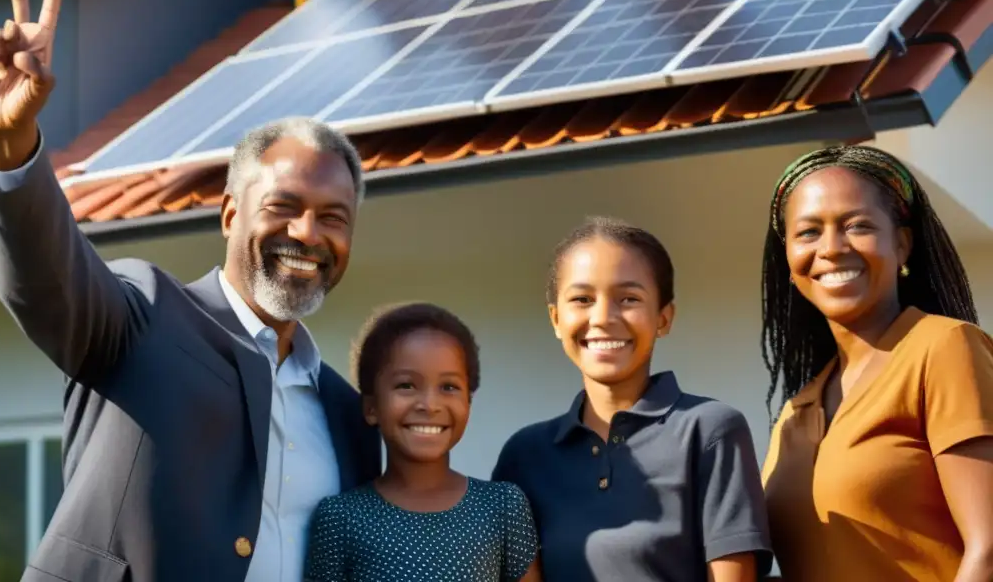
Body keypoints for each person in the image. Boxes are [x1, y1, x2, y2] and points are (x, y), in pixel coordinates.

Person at [0, 0, 380, 582]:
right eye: (284, 208)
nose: (308, 234)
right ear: (228, 215)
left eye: (334, 217)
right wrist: (12, 143)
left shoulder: (349, 415)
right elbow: (47, 281)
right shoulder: (142, 315)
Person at [760, 145, 993, 582]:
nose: (831, 248)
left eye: (857, 226)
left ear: (901, 245)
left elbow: (989, 549)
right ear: (789, 261)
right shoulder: (796, 413)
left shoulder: (943, 348)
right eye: (808, 232)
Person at [493, 217, 772, 582]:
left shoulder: (710, 431)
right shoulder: (524, 456)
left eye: (629, 299)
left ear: (664, 318)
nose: (603, 318)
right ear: (556, 318)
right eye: (582, 299)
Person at [306, 302, 541, 581]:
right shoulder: (340, 518)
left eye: (449, 387)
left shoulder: (503, 507)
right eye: (406, 385)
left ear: (468, 402)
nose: (430, 405)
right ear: (371, 407)